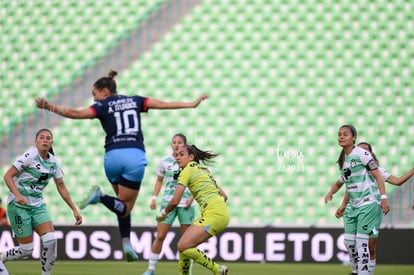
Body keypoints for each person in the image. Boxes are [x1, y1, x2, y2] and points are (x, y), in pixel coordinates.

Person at [35, 70, 208, 262]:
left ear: (105, 91)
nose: (94, 98)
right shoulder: (135, 101)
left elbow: (75, 113)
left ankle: (126, 241)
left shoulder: (101, 106)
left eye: (95, 94)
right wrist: (191, 104)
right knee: (125, 206)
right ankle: (100, 197)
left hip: (111, 158)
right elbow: (163, 104)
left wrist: (49, 106)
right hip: (133, 156)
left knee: (121, 204)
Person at [0, 128, 82, 275]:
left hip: (38, 205)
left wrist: (74, 209)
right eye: (42, 138)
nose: (45, 140)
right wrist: (17, 194)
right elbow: (7, 176)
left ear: (52, 142)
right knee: (27, 250)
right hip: (19, 206)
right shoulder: (30, 155)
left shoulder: (54, 163)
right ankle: (2, 258)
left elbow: (61, 187)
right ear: (36, 141)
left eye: (48, 138)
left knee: (51, 240)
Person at [325, 141, 414, 275]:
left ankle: (366, 272)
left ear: (370, 154)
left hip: (370, 208)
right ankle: (358, 271)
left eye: (364, 151)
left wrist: (412, 171)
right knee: (353, 243)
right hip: (355, 207)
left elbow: (397, 181)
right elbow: (349, 187)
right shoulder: (351, 168)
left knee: (370, 246)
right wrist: (343, 205)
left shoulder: (377, 170)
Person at [324, 125, 389, 275]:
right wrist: (331, 193)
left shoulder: (362, 154)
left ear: (354, 137)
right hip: (354, 206)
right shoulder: (345, 160)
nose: (341, 137)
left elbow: (378, 175)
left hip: (368, 203)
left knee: (362, 244)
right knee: (349, 243)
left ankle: (363, 273)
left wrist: (384, 198)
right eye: (339, 134)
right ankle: (356, 271)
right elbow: (341, 182)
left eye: (345, 134)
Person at [156, 144, 229, 275]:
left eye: (182, 154)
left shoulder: (186, 171)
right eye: (177, 155)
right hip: (220, 213)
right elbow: (224, 196)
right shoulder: (203, 170)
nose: (178, 158)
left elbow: (175, 200)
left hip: (214, 214)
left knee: (183, 246)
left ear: (191, 157)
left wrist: (163, 213)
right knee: (183, 246)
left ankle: (218, 270)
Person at [143, 133, 195, 275]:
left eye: (179, 142)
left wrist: (192, 198)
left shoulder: (191, 161)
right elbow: (159, 180)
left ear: (184, 144)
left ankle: (187, 271)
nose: (176, 144)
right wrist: (154, 197)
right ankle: (151, 269)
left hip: (186, 204)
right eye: (174, 142)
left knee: (187, 241)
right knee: (160, 236)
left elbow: (196, 180)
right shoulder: (164, 161)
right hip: (168, 203)